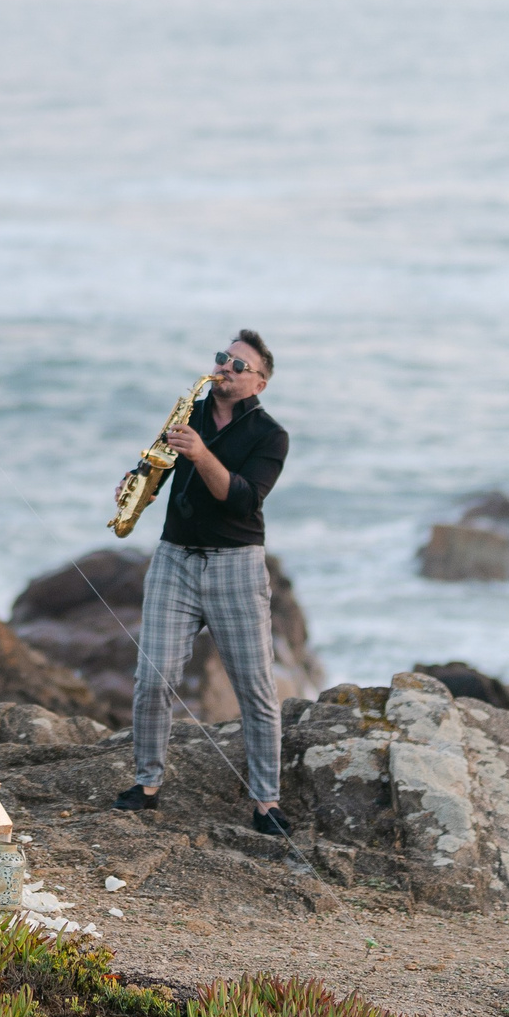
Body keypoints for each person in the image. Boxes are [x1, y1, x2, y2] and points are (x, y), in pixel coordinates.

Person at [116, 329, 294, 836]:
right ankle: (147, 783)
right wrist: (137, 481)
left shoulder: (271, 436)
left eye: (239, 366)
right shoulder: (189, 414)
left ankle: (266, 801)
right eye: (222, 358)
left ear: (259, 383)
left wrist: (200, 454)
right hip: (174, 559)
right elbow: (158, 465)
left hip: (236, 565)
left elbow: (242, 498)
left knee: (255, 689)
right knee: (153, 678)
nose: (224, 369)